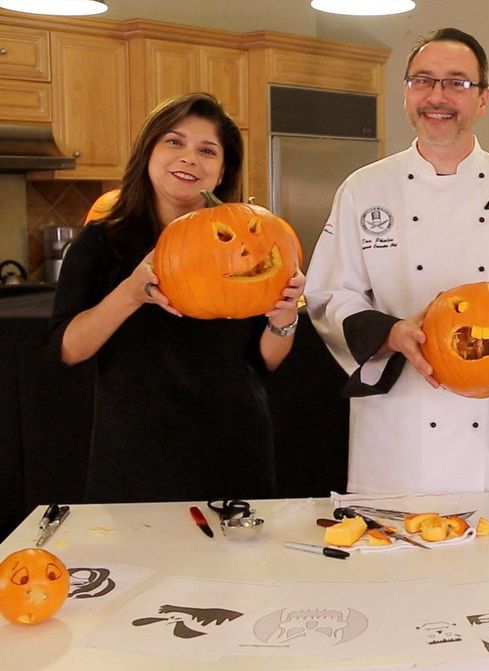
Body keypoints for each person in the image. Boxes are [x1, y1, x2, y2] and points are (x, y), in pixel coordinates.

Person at [305, 28, 489, 494]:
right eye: (423, 81)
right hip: (400, 430)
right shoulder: (363, 190)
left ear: (482, 100)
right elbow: (328, 295)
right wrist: (389, 333)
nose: (437, 96)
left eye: (457, 82)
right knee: (398, 561)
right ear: (406, 94)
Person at [47, 92, 305, 503]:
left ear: (221, 172)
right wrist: (132, 293)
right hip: (136, 452)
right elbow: (68, 349)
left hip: (235, 446)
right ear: (148, 152)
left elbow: (264, 361)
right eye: (174, 142)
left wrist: (284, 315)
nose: (189, 158)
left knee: (236, 565)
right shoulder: (100, 243)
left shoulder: (250, 241)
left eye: (207, 150)